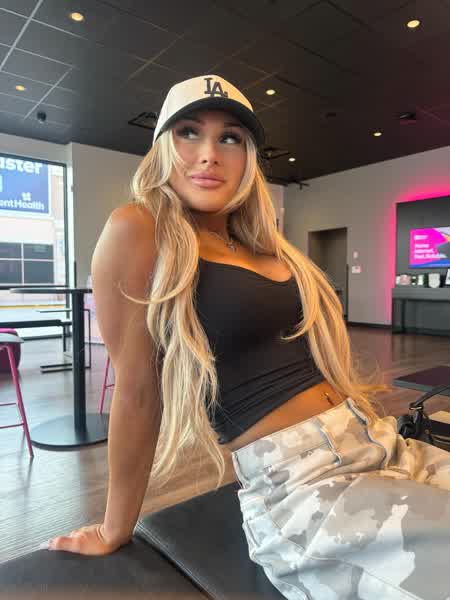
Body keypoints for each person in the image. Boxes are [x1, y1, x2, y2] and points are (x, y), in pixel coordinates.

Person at [41, 75, 450, 600]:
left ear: (248, 157)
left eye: (230, 138)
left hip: (378, 442)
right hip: (304, 486)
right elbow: (138, 391)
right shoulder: (140, 227)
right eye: (189, 132)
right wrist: (113, 528)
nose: (209, 154)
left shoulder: (260, 244)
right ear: (163, 146)